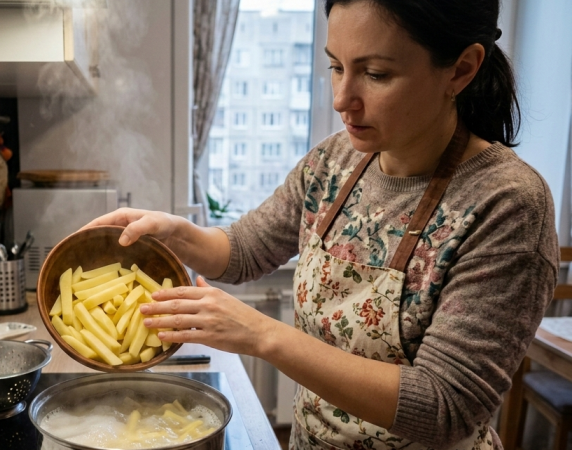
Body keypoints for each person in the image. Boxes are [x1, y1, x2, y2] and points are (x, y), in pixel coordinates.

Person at [85, 0, 559, 448]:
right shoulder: (333, 163)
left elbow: (444, 407)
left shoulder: (508, 204)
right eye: (336, 66)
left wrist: (262, 334)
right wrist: (175, 232)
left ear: (460, 69)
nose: (340, 99)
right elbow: (247, 248)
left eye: (375, 74)